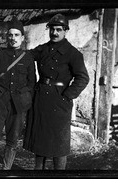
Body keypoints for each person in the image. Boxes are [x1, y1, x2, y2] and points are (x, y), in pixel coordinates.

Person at [23, 13, 90, 170]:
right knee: (40, 142)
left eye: (59, 30)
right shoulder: (43, 49)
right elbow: (25, 56)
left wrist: (67, 96)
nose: (54, 33)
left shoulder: (73, 54)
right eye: (52, 29)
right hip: (40, 100)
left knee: (59, 145)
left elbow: (83, 78)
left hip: (59, 102)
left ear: (66, 31)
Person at [0, 18, 36, 170]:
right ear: (7, 37)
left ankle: (6, 170)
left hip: (17, 106)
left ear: (22, 38)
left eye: (17, 35)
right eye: (11, 35)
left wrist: (25, 100)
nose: (13, 38)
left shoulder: (28, 58)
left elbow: (31, 83)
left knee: (12, 142)